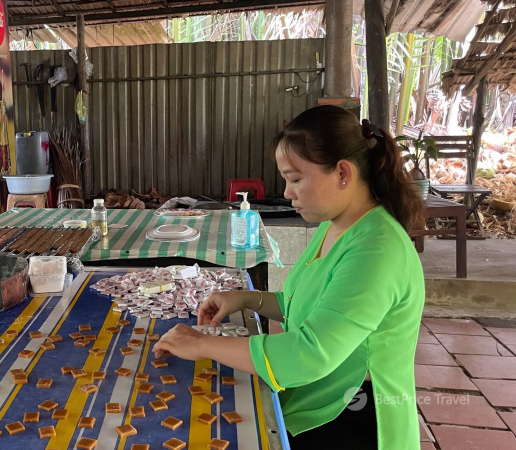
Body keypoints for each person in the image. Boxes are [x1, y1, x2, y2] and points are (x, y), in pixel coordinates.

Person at [153, 105, 425, 450]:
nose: (287, 193)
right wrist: (247, 299)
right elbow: (309, 307)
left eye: (295, 179)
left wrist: (203, 344)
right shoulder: (336, 225)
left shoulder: (377, 249)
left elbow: (311, 353)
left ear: (343, 173)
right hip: (318, 397)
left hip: (354, 412)